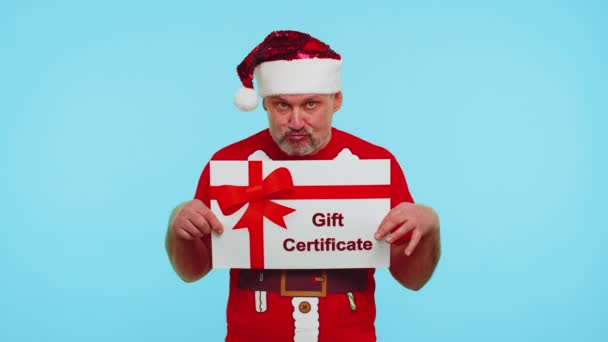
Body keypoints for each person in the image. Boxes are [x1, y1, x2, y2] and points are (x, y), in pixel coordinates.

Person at [165, 30, 440, 342]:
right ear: (265, 104)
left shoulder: (373, 163)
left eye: (311, 104)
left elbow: (412, 279)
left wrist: (429, 224)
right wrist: (178, 224)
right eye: (282, 105)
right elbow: (192, 271)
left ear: (336, 100)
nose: (296, 121)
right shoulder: (230, 164)